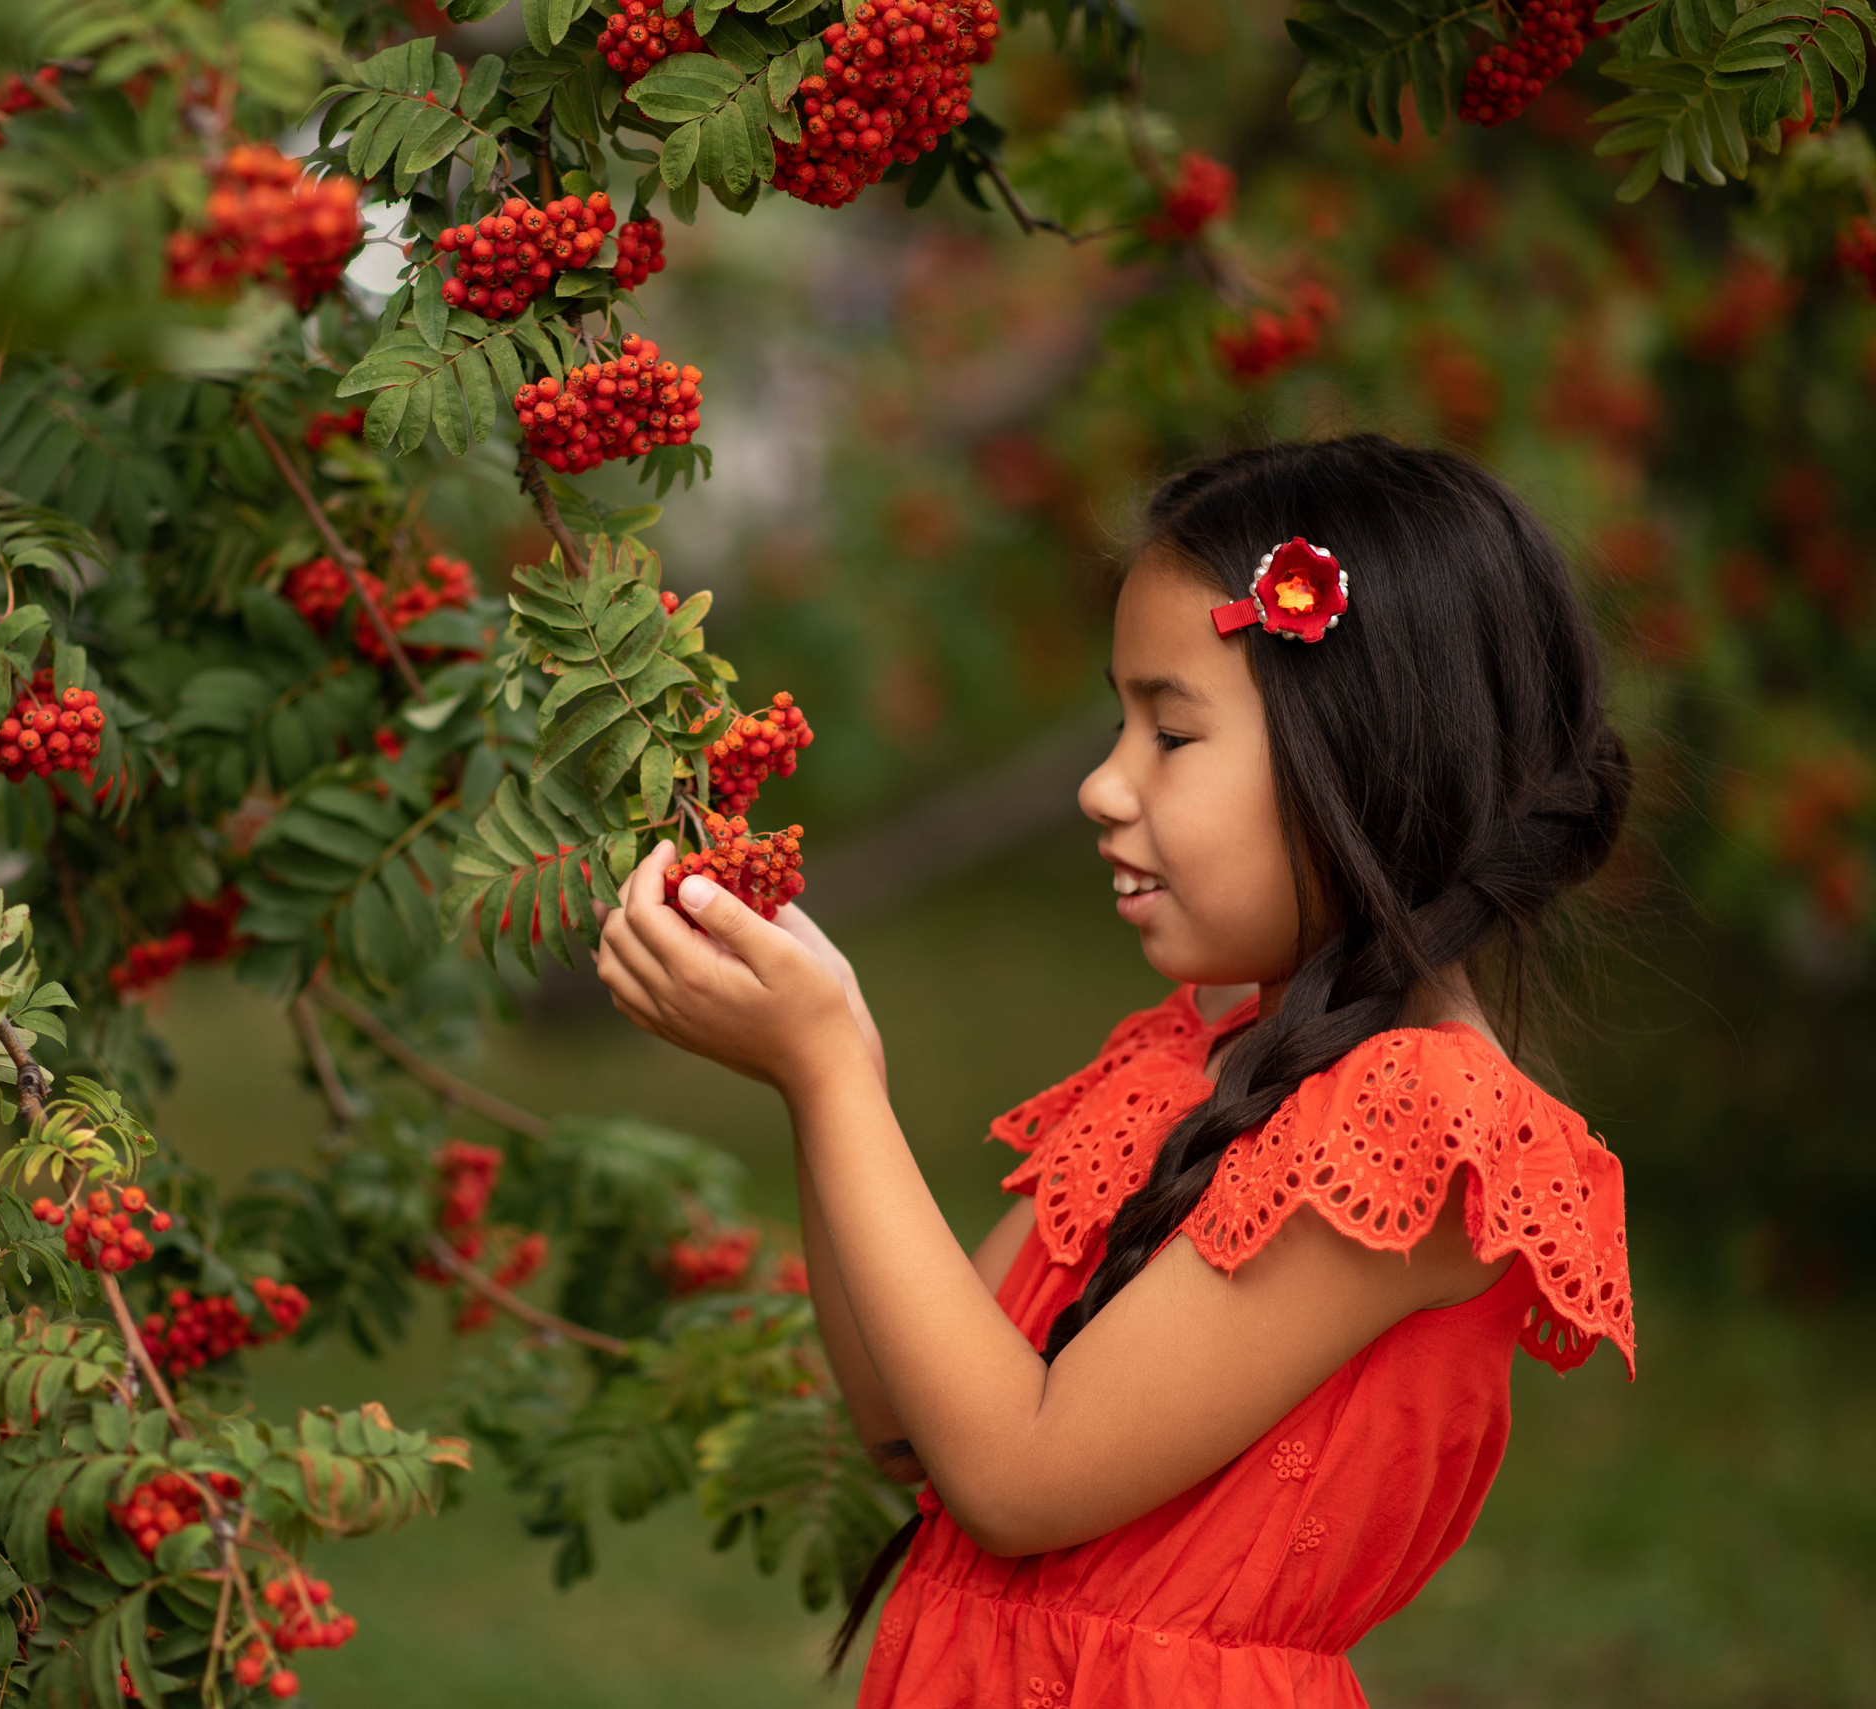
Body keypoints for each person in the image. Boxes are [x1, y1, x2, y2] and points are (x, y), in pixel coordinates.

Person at [594, 436, 1637, 1707]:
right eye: (1118, 723)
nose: (1102, 785)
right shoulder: (1181, 1064)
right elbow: (910, 1426)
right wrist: (832, 1061)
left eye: (1172, 732)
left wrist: (826, 1078)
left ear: (1372, 753)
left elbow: (1015, 1478)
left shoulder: (1424, 1127)